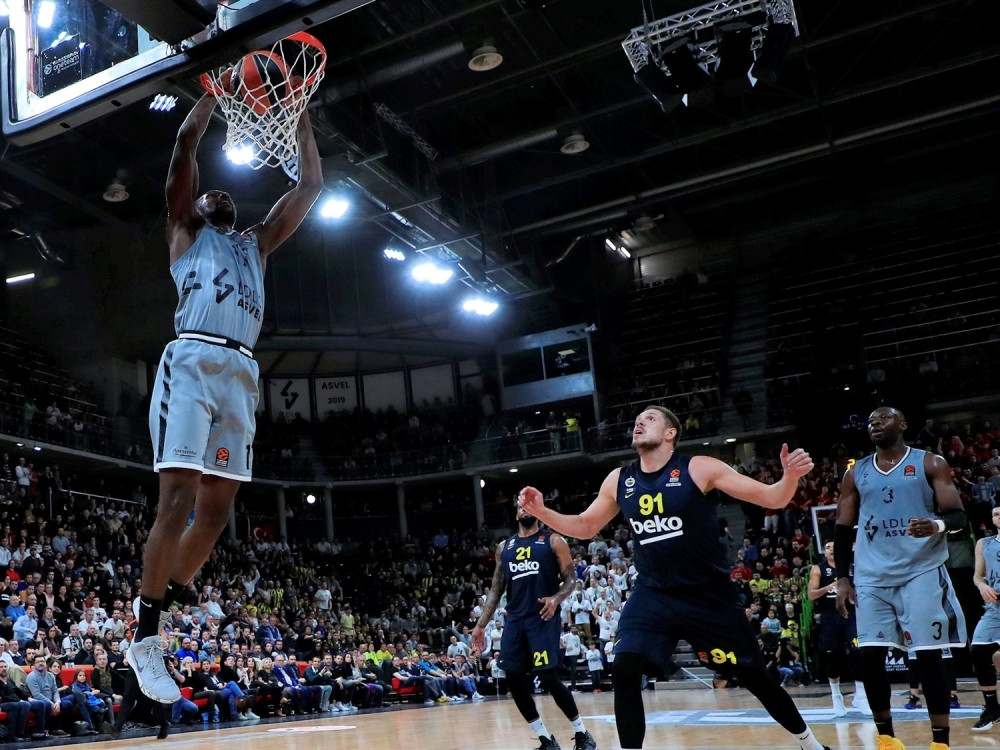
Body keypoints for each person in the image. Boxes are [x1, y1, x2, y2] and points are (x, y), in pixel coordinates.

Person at [128, 89, 323, 704]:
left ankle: (173, 586)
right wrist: (212, 95)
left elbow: (311, 184)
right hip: (191, 358)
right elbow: (185, 145)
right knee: (178, 497)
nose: (218, 194)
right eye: (209, 192)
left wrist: (299, 112)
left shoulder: (256, 244)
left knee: (217, 509)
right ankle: (146, 636)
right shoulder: (185, 231)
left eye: (225, 194)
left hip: (240, 370)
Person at [518, 405, 827, 750]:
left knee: (756, 677)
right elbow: (587, 527)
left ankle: (809, 743)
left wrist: (789, 478)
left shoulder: (699, 467)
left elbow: (773, 497)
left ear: (670, 433)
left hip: (707, 595)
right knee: (624, 667)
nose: (639, 423)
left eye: (649, 419)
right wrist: (542, 512)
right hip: (653, 594)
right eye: (637, 420)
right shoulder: (620, 479)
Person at [835, 406, 968, 750]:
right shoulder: (856, 473)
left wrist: (936, 524)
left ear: (903, 424)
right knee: (870, 656)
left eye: (883, 418)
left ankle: (940, 742)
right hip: (871, 575)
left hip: (920, 570)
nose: (875, 423)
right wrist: (842, 578)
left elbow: (958, 517)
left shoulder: (929, 463)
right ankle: (886, 738)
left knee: (927, 655)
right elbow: (841, 528)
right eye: (871, 421)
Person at [472, 498, 597, 750]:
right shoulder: (504, 547)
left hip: (542, 618)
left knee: (548, 677)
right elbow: (496, 589)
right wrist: (481, 624)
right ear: (516, 514)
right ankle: (545, 739)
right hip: (515, 621)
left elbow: (572, 578)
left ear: (536, 512)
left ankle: (582, 733)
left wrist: (557, 598)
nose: (524, 509)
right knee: (514, 680)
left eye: (528, 505)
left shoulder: (553, 540)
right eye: (520, 506)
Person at [808, 540, 868, 716]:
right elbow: (811, 595)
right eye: (828, 547)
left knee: (858, 651)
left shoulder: (852, 567)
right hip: (830, 616)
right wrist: (829, 587)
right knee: (834, 657)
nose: (832, 549)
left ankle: (861, 697)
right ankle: (836, 697)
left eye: (835, 546)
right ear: (824, 552)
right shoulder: (818, 569)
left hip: (851, 615)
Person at [970, 504, 1000, 731]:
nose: (997, 517)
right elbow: (978, 576)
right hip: (994, 607)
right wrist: (981, 587)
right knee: (979, 650)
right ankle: (992, 708)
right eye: (995, 514)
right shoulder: (984, 543)